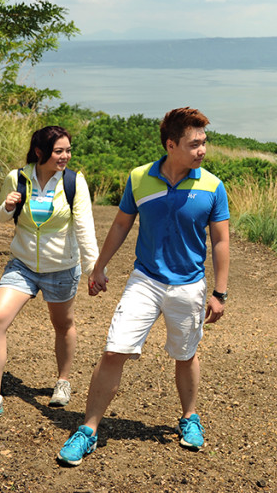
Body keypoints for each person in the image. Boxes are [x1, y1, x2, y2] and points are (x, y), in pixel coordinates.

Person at [57, 107, 230, 466]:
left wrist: (219, 292)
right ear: (171, 145)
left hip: (189, 286)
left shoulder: (212, 185)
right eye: (195, 143)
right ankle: (88, 430)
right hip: (145, 280)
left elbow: (220, 242)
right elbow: (121, 225)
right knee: (113, 351)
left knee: (186, 355)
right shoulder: (139, 178)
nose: (203, 150)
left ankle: (189, 418)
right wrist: (99, 266)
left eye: (204, 143)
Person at [0, 126, 99, 422]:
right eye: (59, 151)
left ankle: (63, 381)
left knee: (63, 324)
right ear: (40, 152)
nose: (66, 156)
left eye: (68, 150)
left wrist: (94, 269)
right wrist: (6, 207)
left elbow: (84, 228)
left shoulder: (73, 182)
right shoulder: (18, 178)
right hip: (22, 265)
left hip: (61, 268)